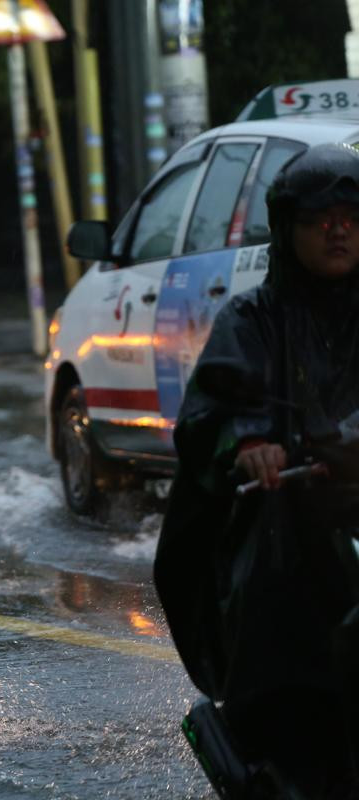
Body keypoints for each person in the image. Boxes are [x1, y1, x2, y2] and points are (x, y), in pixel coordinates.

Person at [154, 142, 359, 793]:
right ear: (288, 227)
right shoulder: (252, 318)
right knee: (281, 624)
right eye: (320, 216)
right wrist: (253, 443)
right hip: (292, 521)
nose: (339, 228)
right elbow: (219, 403)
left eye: (353, 214)